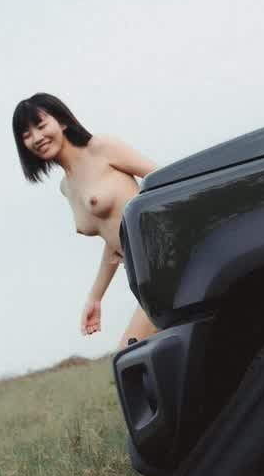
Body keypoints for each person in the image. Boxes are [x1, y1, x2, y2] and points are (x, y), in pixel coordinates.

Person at [12, 92, 159, 350]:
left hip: (165, 263)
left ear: (62, 121)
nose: (36, 137)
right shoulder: (66, 188)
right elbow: (115, 239)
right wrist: (95, 297)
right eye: (26, 134)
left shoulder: (101, 148)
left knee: (131, 359)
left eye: (41, 125)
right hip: (141, 279)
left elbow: (163, 179)